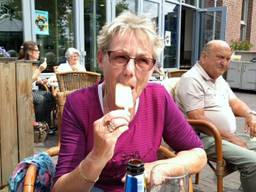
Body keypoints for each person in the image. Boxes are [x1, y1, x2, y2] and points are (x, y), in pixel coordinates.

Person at [52, 12, 207, 192]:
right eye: (120, 57)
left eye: (143, 60)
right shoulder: (79, 103)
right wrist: (97, 157)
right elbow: (60, 189)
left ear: (152, 68)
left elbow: (198, 153)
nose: (130, 71)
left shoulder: (158, 98)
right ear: (101, 59)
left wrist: (163, 168)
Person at [175, 40, 256, 192]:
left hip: (225, 136)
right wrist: (233, 139)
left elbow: (235, 102)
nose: (224, 63)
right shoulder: (191, 80)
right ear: (204, 57)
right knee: (254, 162)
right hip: (204, 138)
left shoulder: (218, 79)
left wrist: (249, 114)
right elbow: (198, 120)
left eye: (227, 59)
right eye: (220, 57)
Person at [18, 41, 56, 132]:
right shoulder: (22, 63)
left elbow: (35, 78)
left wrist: (41, 80)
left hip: (30, 90)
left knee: (49, 96)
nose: (39, 52)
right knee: (41, 99)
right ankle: (38, 126)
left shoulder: (33, 63)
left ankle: (46, 125)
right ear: (29, 52)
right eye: (37, 50)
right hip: (22, 92)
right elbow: (27, 81)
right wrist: (40, 69)